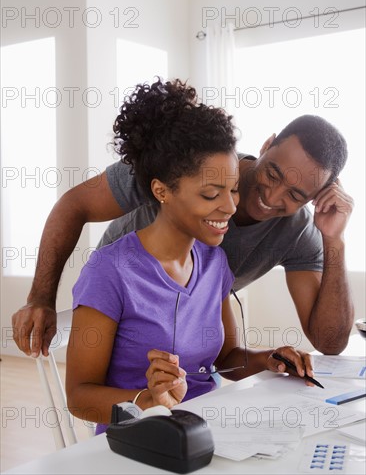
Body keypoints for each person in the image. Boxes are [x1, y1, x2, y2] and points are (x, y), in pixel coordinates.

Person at [12, 88, 354, 358]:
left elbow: (329, 342)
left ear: (315, 197)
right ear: (267, 145)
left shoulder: (294, 234)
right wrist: (40, 298)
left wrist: (334, 241)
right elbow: (75, 205)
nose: (273, 197)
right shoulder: (185, 164)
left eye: (295, 195)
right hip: (123, 318)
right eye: (272, 173)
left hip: (189, 342)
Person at [65, 79, 313, 433]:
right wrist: (145, 400)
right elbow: (79, 397)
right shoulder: (110, 271)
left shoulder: (214, 263)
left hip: (208, 429)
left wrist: (269, 359)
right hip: (139, 442)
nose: (229, 207)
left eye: (233, 190)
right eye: (212, 194)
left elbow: (227, 358)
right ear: (162, 191)